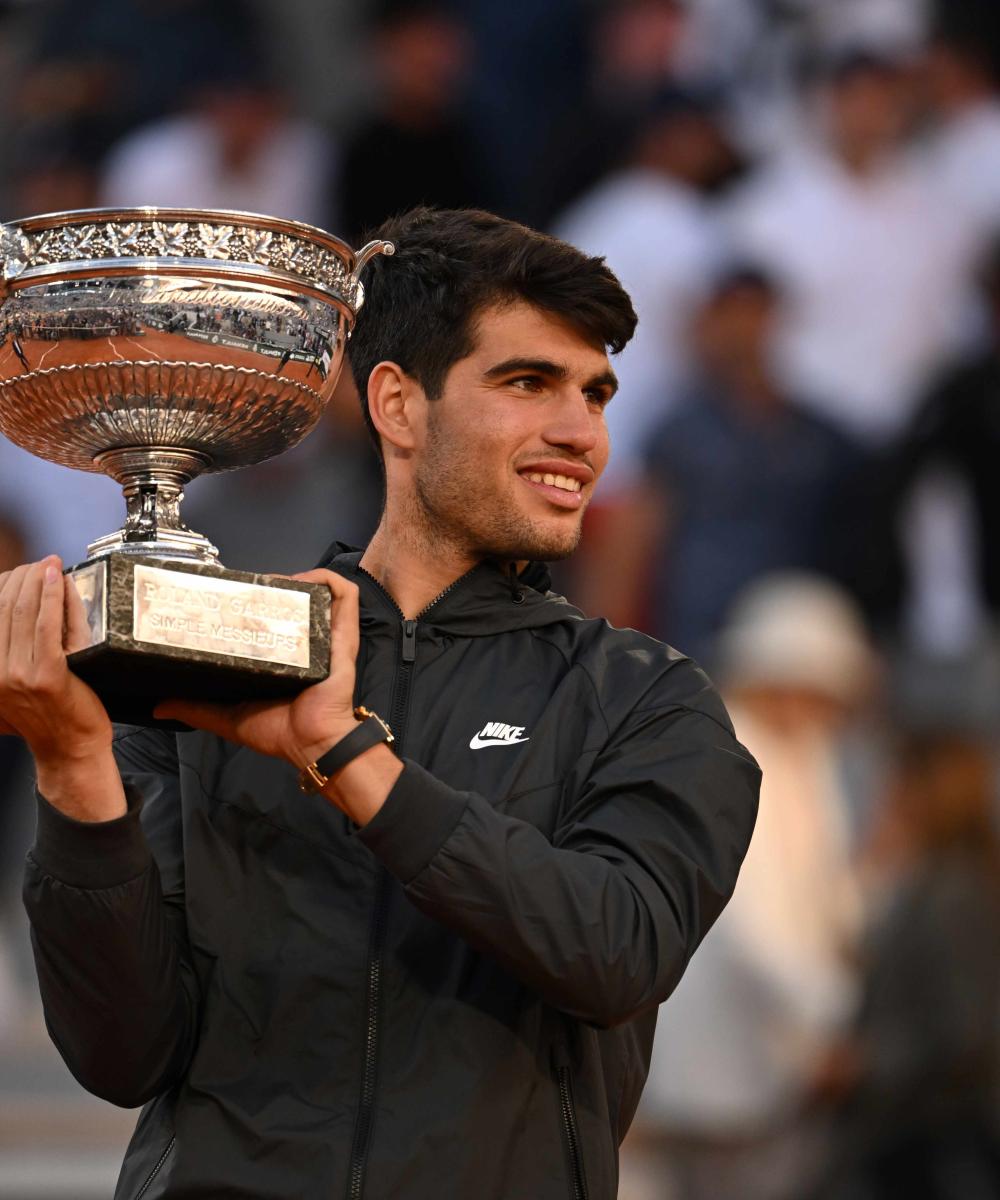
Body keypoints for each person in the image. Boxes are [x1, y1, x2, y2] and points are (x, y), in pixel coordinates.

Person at [0, 207, 760, 1199]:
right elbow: (123, 1053)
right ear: (398, 406)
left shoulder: (647, 699)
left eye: (595, 395)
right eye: (528, 383)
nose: (579, 434)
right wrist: (70, 768)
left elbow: (613, 951)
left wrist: (350, 760)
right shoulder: (212, 668)